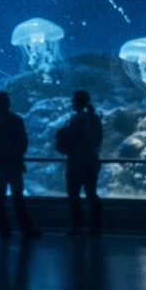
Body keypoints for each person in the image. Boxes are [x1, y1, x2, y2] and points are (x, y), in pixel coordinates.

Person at [0, 90, 40, 238]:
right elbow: (23, 141)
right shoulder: (15, 119)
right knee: (18, 197)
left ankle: (3, 229)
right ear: (7, 103)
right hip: (14, 163)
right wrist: (19, 157)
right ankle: (26, 229)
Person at [57, 89, 105, 236]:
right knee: (92, 194)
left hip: (76, 162)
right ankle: (96, 227)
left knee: (74, 195)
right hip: (92, 161)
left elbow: (70, 140)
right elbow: (99, 140)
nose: (72, 103)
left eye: (73, 101)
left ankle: (78, 227)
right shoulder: (95, 118)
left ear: (78, 102)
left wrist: (62, 135)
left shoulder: (76, 119)